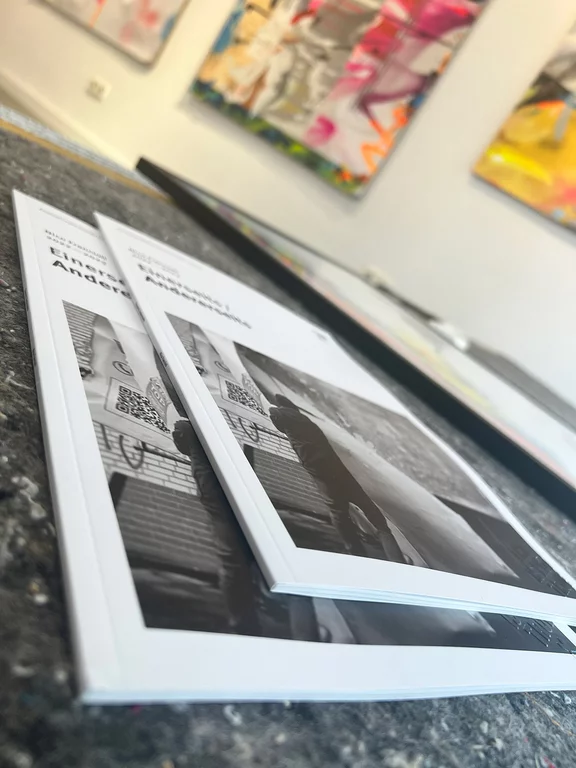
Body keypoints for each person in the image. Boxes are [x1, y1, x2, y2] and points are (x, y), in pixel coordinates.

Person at [268, 395, 406, 563]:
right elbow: (280, 409)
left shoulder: (301, 446)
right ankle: (398, 562)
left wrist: (277, 410)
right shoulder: (312, 428)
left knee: (342, 522)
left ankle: (356, 555)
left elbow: (274, 413)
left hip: (329, 489)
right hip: (345, 479)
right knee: (381, 526)